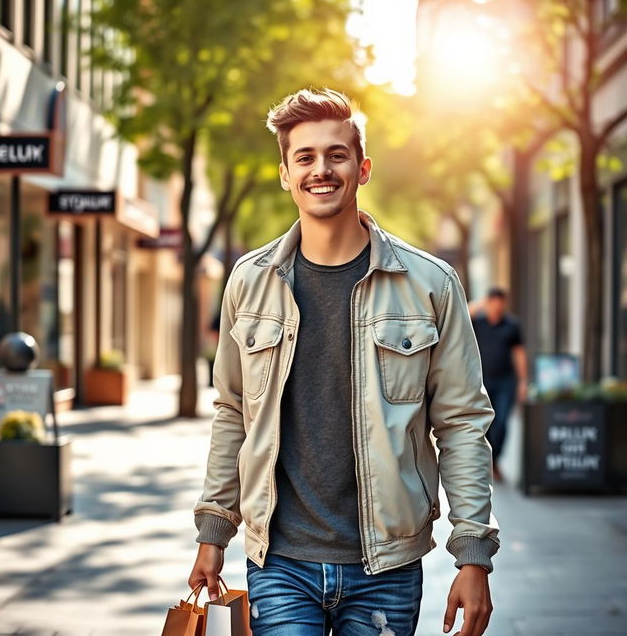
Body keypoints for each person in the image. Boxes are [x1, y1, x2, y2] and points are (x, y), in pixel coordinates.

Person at [189, 88, 500, 636]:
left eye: (337, 154)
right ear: (285, 173)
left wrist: (472, 553)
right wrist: (213, 530)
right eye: (304, 157)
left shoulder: (430, 284)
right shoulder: (249, 282)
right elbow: (233, 412)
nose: (321, 169)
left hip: (386, 565)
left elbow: (462, 423)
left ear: (363, 167)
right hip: (279, 562)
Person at [469, 287, 528, 483]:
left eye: (500, 303)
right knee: (486, 423)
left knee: (502, 422)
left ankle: (495, 460)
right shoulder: (478, 321)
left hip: (506, 381)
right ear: (488, 302)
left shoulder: (512, 325)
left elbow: (519, 353)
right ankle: (489, 462)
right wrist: (477, 306)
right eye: (493, 302)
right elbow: (459, 315)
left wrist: (523, 381)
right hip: (482, 380)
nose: (497, 307)